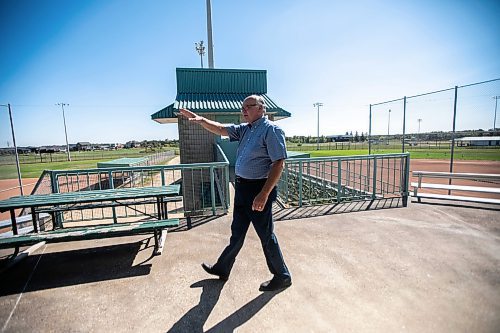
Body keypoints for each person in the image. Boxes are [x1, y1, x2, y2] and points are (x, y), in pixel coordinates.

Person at [179, 94, 292, 292]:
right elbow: (221, 129)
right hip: (242, 189)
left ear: (261, 109)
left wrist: (264, 193)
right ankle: (223, 268)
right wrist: (200, 120)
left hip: (258, 190)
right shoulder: (246, 129)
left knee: (266, 236)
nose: (244, 110)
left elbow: (278, 163)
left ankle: (282, 276)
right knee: (237, 234)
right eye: (243, 107)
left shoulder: (271, 130)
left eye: (249, 106)